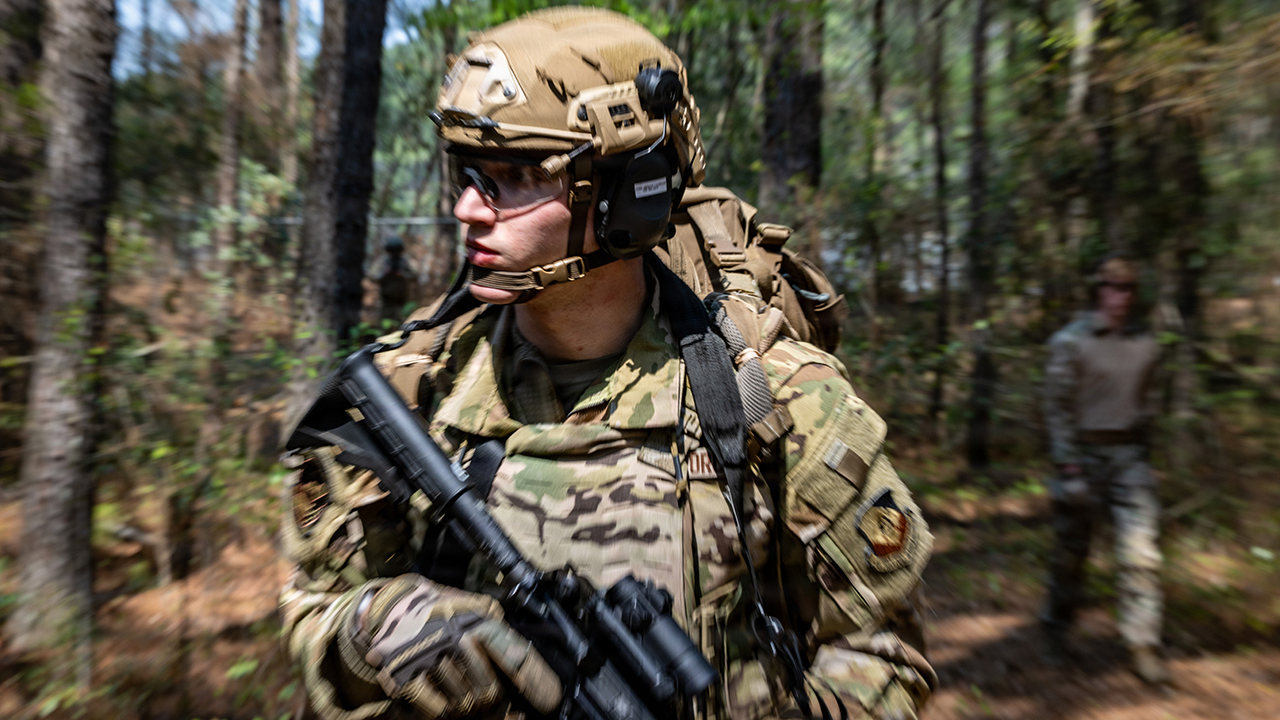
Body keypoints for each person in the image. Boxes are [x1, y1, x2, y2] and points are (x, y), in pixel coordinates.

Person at [279, 8, 934, 719]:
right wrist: (372, 629)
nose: (469, 207)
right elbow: (317, 611)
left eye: (514, 174)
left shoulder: (774, 397)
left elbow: (883, 655)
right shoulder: (412, 390)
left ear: (631, 191)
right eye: (469, 172)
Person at [1041, 256, 1170, 686]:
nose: (1122, 296)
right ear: (1100, 289)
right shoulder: (1071, 342)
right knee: (1072, 554)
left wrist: (1147, 458)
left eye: (1129, 289)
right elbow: (1057, 410)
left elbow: (1148, 404)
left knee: (1141, 555)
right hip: (1082, 456)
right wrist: (1070, 467)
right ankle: (1056, 631)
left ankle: (1143, 644)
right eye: (1114, 287)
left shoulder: (1146, 344)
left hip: (1129, 459)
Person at [374, 235, 419, 325]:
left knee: (402, 323)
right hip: (386, 299)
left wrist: (403, 275)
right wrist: (385, 274)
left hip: (401, 299)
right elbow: (373, 276)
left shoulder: (405, 261)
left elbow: (415, 275)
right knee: (384, 324)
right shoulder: (383, 261)